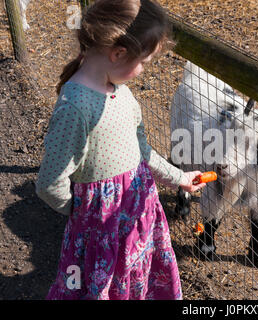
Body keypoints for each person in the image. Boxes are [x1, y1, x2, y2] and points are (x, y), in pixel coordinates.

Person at [35, 0, 205, 300]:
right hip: (102, 231)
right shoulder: (75, 107)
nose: (142, 71)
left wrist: (177, 177)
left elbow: (141, 152)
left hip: (138, 220)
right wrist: (84, 216)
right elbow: (50, 183)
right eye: (144, 62)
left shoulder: (122, 94)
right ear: (118, 53)